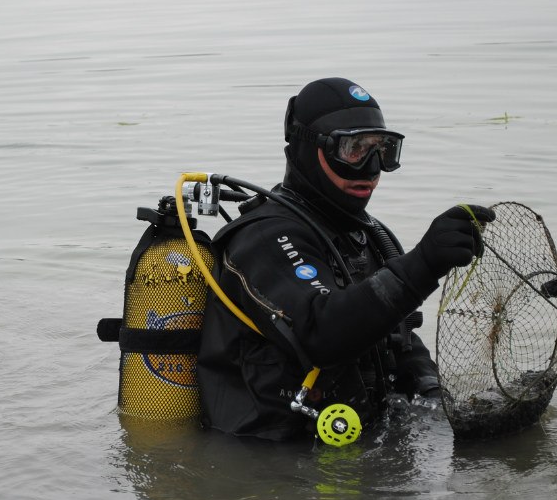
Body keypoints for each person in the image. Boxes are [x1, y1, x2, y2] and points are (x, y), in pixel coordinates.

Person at [195, 78, 494, 440]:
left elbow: (399, 337)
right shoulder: (265, 238)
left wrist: (432, 394)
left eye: (382, 149)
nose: (371, 167)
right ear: (309, 147)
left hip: (353, 440)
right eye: (354, 149)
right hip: (272, 460)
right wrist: (425, 263)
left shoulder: (366, 233)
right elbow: (322, 334)